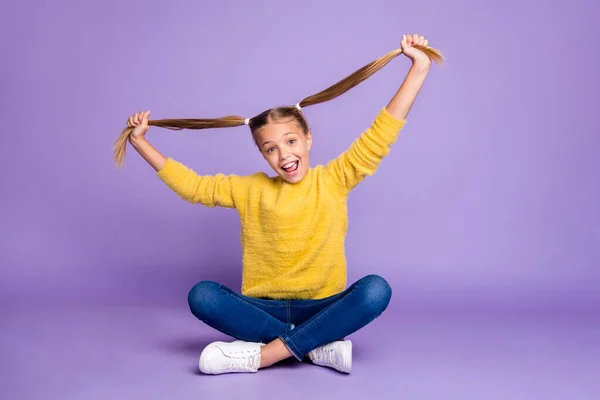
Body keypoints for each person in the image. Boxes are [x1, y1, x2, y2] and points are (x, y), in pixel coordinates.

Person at [122, 33, 441, 375]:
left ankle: (265, 355)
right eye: (271, 148)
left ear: (308, 139)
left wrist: (419, 67)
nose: (284, 154)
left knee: (376, 290)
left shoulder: (333, 179)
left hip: (322, 309)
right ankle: (315, 346)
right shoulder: (250, 189)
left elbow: (381, 133)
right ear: (262, 154)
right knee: (203, 296)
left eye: (290, 141)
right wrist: (140, 144)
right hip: (263, 310)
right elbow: (194, 187)